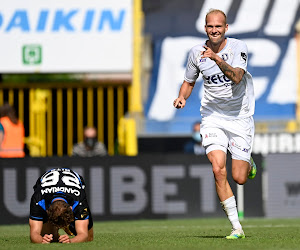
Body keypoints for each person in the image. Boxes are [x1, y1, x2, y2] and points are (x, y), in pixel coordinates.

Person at [173, 9, 256, 239]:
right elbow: (188, 81)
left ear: (226, 28)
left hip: (239, 116)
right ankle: (236, 227)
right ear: (206, 29)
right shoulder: (195, 53)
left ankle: (249, 163)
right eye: (210, 26)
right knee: (218, 168)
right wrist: (182, 97)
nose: (215, 30)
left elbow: (237, 77)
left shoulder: (238, 48)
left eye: (219, 26)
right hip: (212, 116)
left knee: (239, 177)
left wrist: (217, 58)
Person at [29, 168, 93, 243]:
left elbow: (84, 235)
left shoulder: (79, 199)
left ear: (71, 208)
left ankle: (67, 225)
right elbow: (34, 234)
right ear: (46, 211)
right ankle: (58, 228)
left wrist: (70, 241)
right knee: (51, 238)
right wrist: (42, 240)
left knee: (89, 238)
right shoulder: (38, 199)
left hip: (75, 183)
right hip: (44, 184)